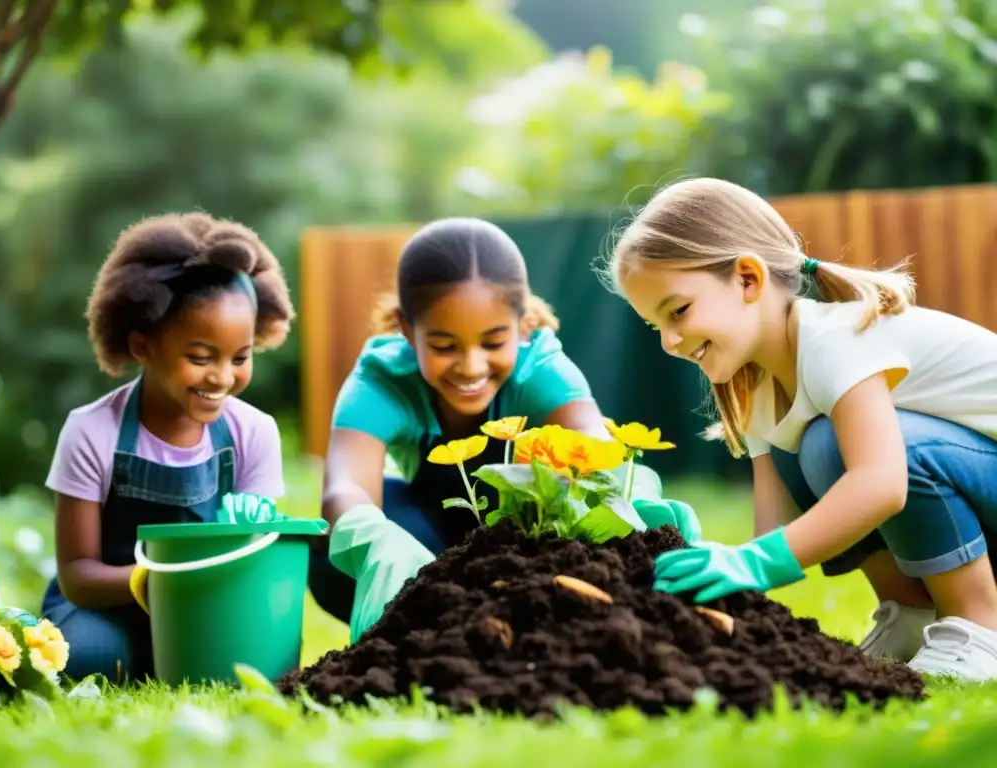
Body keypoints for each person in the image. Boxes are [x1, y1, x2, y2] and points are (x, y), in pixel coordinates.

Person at [603, 175, 997, 681]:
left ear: (748, 278)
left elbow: (881, 484)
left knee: (841, 446)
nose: (669, 341)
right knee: (813, 447)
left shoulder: (834, 339)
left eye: (677, 311)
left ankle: (979, 621)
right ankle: (911, 612)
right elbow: (775, 532)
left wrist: (759, 562)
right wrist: (711, 557)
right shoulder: (762, 390)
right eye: (656, 326)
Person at [314, 216, 699, 642]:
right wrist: (377, 543)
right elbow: (345, 486)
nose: (471, 366)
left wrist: (638, 510)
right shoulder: (382, 379)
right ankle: (431, 630)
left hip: (525, 543)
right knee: (327, 557)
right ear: (407, 330)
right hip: (426, 536)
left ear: (524, 324)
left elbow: (595, 450)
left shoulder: (542, 370)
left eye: (493, 343)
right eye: (444, 346)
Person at [42, 212, 295, 683]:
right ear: (142, 346)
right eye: (200, 358)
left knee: (264, 660)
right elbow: (78, 573)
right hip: (106, 606)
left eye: (240, 358)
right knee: (92, 660)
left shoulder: (254, 433)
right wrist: (155, 581)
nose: (222, 377)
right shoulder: (92, 431)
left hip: (207, 604)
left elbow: (253, 561)